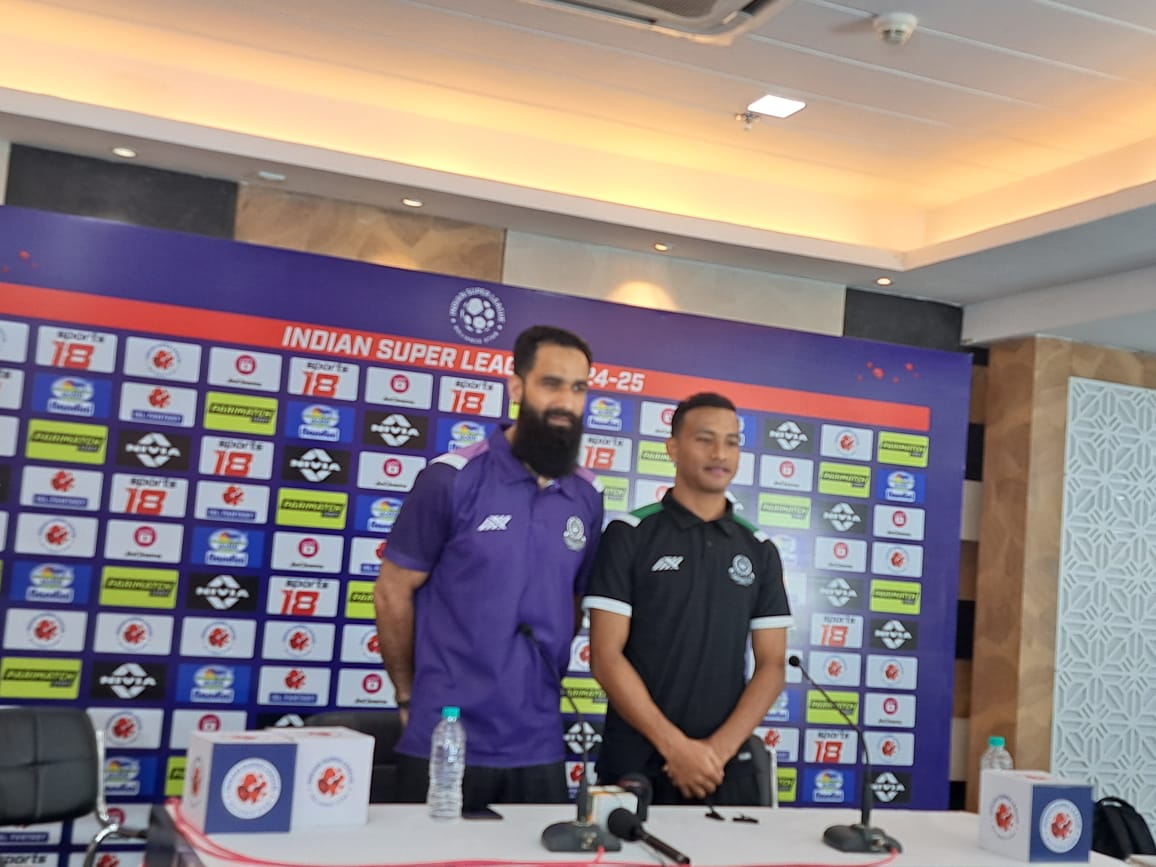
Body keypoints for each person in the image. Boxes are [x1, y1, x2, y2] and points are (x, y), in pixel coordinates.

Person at [373, 324, 604, 808]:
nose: (566, 401)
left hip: (538, 741)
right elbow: (392, 591)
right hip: (446, 737)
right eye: (551, 384)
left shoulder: (586, 495)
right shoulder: (451, 478)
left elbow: (574, 602)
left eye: (579, 388)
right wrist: (408, 696)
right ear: (516, 387)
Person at [584, 392, 792, 805]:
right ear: (673, 448)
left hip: (723, 771)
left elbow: (772, 664)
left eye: (732, 442)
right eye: (705, 439)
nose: (720, 454)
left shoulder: (759, 549)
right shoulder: (629, 535)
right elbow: (605, 656)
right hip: (636, 766)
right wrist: (676, 748)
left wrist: (715, 753)